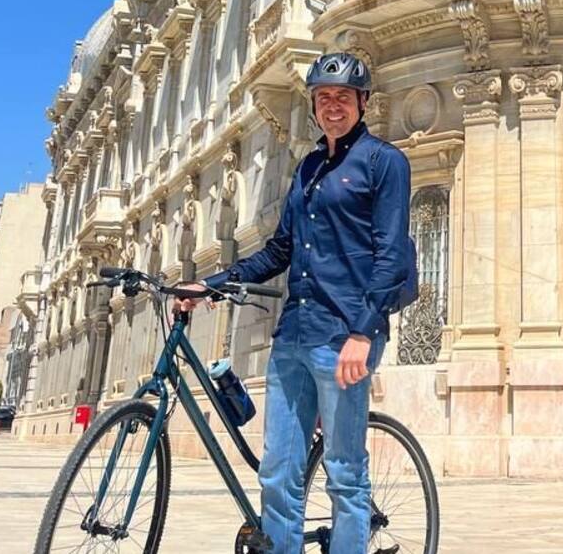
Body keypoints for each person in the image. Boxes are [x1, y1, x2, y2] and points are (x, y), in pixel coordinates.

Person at [177, 52, 418, 553]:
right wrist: (211, 285)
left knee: (344, 473)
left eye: (343, 96)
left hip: (345, 335)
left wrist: (363, 332)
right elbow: (279, 250)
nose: (332, 105)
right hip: (293, 336)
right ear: (313, 104)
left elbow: (392, 256)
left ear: (363, 102)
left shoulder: (383, 161)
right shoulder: (307, 168)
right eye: (323, 97)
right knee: (278, 471)